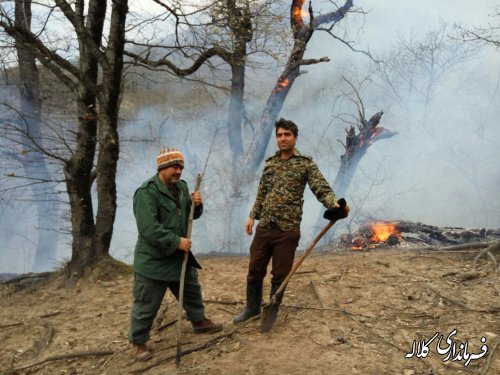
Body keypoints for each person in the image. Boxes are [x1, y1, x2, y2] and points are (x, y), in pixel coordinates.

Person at [234, 118, 348, 324]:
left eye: (287, 134)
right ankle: (252, 309)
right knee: (255, 270)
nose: (283, 138)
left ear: (295, 137)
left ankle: (271, 313)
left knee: (280, 274)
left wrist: (333, 204)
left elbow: (320, 188)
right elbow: (262, 193)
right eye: (279, 135)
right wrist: (252, 215)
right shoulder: (271, 163)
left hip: (287, 230)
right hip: (265, 227)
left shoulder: (305, 164)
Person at [128, 147, 222, 361]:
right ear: (161, 168)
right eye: (174, 166)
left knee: (191, 291)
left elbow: (189, 216)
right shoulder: (146, 193)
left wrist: (197, 205)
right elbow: (148, 229)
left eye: (180, 167)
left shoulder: (181, 187)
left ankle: (199, 322)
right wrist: (175, 241)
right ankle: (138, 342)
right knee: (146, 304)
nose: (178, 171)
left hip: (179, 256)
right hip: (154, 261)